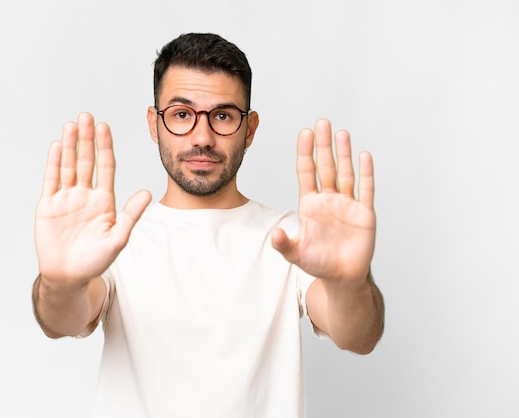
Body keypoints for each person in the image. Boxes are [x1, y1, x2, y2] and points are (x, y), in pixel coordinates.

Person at [32, 33, 384, 417]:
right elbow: (62, 321)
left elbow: (358, 336)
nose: (203, 137)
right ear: (155, 124)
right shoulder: (114, 240)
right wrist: (60, 284)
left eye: (223, 116)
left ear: (249, 130)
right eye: (182, 114)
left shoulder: (292, 240)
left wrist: (350, 284)